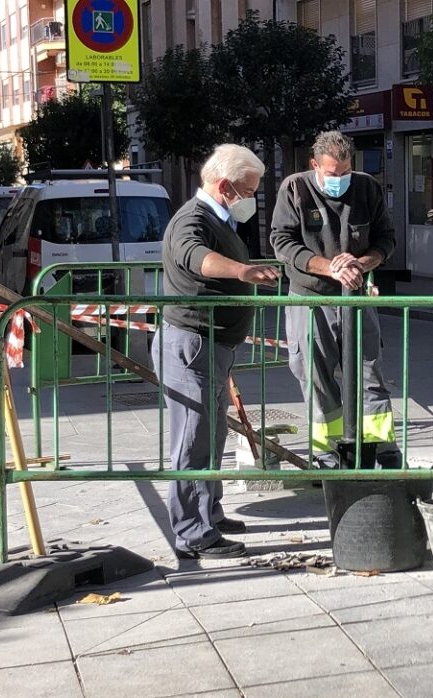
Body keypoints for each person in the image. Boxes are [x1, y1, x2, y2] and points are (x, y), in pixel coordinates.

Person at [152, 144, 280, 559]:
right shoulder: (193, 220)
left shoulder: (217, 217)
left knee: (211, 434)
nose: (252, 199)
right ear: (225, 186)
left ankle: (210, 512)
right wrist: (242, 271)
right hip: (192, 343)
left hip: (211, 345)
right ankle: (193, 534)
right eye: (248, 190)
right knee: (193, 441)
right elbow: (197, 259)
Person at [270, 131, 400, 469]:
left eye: (345, 172)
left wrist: (360, 263)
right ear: (315, 164)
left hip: (356, 297)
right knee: (316, 377)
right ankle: (326, 454)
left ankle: (381, 450)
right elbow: (282, 242)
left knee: (371, 373)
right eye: (331, 173)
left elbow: (386, 239)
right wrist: (330, 268)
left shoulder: (367, 188)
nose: (339, 180)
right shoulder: (295, 189)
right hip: (310, 298)